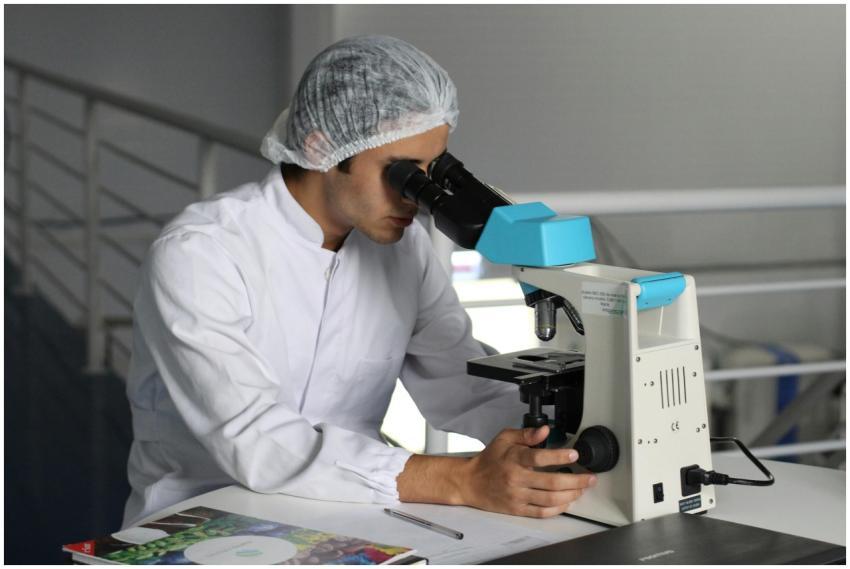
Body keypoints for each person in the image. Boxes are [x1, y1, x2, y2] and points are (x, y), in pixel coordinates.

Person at [122, 35, 595, 529]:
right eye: (404, 174)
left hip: (348, 513)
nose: (419, 197)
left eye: (434, 170)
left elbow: (462, 385)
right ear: (322, 146)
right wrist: (464, 480)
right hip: (204, 517)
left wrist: (559, 440)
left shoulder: (403, 250)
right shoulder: (203, 253)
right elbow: (257, 440)